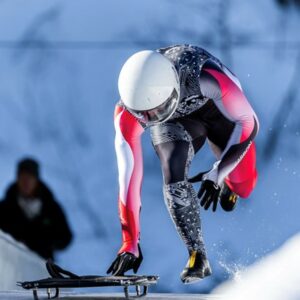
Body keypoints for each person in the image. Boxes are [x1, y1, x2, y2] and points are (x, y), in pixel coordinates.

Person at [107, 45, 259, 283]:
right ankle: (197, 255)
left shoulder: (205, 77)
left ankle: (232, 184)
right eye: (145, 115)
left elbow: (249, 124)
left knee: (244, 186)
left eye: (159, 109)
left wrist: (219, 172)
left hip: (220, 111)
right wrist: (130, 241)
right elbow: (128, 180)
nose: (152, 117)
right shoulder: (127, 113)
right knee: (172, 167)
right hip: (178, 123)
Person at [0, 158, 72, 259]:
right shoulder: (4, 208)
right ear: (17, 179)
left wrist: (46, 241)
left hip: (42, 267)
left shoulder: (51, 208)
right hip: (11, 264)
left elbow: (66, 238)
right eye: (22, 178)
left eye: (30, 177)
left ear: (36, 180)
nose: (26, 182)